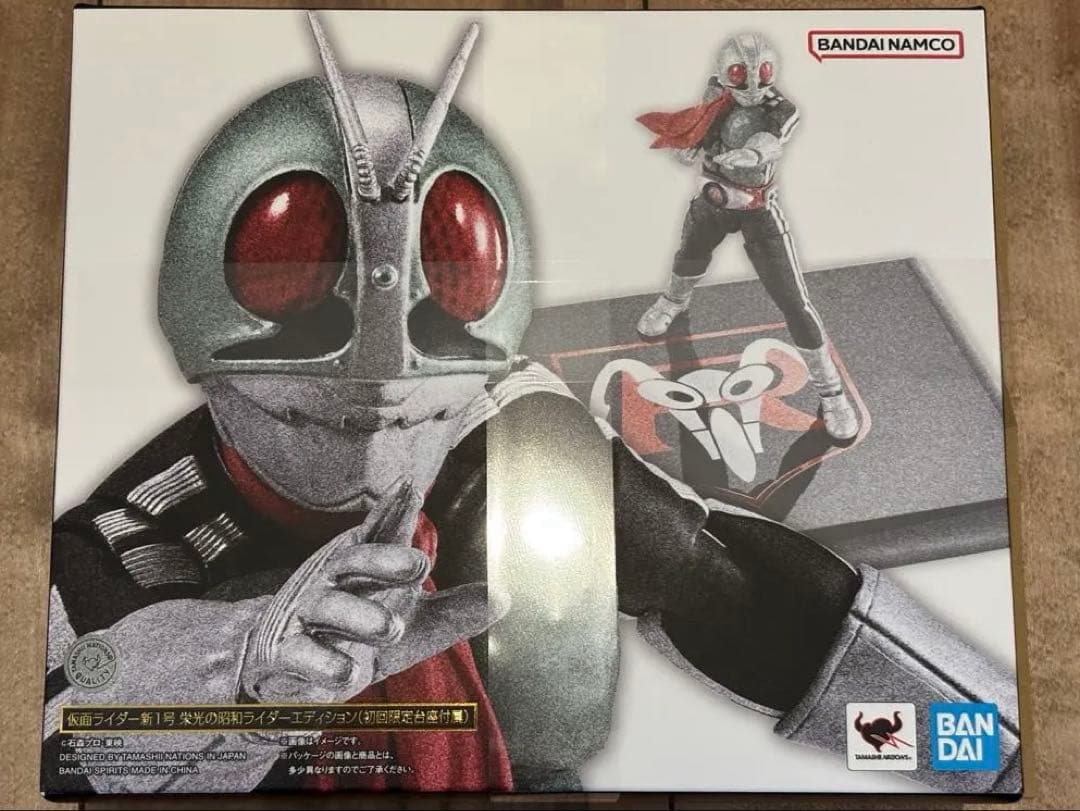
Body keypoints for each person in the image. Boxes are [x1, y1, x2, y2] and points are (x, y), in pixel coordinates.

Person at [41, 14, 1018, 796]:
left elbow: (740, 597)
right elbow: (70, 733)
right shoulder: (119, 546)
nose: (379, 377)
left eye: (450, 267)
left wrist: (989, 749)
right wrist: (241, 672)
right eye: (291, 267)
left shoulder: (507, 438)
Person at [637, 33, 859, 442]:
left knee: (794, 302)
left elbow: (771, 141)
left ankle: (832, 392)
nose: (754, 85)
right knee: (688, 257)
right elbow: (698, 131)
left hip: (758, 210)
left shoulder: (782, 108)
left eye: (762, 73)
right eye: (741, 74)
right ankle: (673, 301)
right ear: (726, 73)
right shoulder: (715, 96)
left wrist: (753, 154)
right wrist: (688, 143)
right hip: (711, 201)